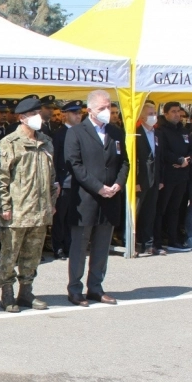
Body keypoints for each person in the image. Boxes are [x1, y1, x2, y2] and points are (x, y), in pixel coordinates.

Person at [0, 97, 58, 312]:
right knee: (9, 255)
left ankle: (26, 291)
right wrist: (4, 207)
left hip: (40, 210)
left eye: (40, 112)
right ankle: (7, 292)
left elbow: (52, 177)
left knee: (33, 254)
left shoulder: (46, 141)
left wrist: (52, 203)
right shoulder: (10, 143)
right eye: (35, 113)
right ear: (22, 118)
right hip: (17, 211)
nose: (40, 117)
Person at [65, 90, 129, 307]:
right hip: (86, 199)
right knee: (80, 247)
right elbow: (74, 165)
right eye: (101, 108)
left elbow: (125, 162)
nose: (106, 112)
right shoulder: (76, 132)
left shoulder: (116, 132)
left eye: (109, 107)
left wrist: (118, 184)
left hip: (110, 198)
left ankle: (96, 287)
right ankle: (75, 288)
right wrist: (99, 187)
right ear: (90, 109)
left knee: (102, 246)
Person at [154, 102, 192, 253]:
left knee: (175, 209)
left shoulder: (183, 131)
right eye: (174, 111)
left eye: (179, 111)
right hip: (167, 176)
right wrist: (178, 160)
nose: (177, 114)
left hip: (182, 176)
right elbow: (163, 152)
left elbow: (189, 148)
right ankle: (156, 240)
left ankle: (173, 239)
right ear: (166, 113)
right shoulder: (161, 131)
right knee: (161, 209)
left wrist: (187, 160)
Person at [51, 100, 84, 260]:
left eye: (79, 113)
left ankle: (71, 246)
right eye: (74, 113)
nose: (78, 116)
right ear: (65, 115)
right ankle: (58, 247)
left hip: (79, 181)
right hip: (64, 181)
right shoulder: (59, 134)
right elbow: (55, 159)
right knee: (60, 217)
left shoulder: (83, 132)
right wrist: (56, 181)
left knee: (74, 216)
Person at [135, 101, 163, 256]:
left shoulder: (158, 134)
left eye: (154, 113)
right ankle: (131, 243)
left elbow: (160, 158)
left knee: (150, 213)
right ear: (142, 117)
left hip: (154, 179)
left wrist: (161, 179)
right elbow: (135, 159)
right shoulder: (136, 133)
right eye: (150, 114)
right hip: (141, 180)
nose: (154, 117)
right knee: (136, 212)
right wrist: (136, 181)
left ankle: (148, 244)